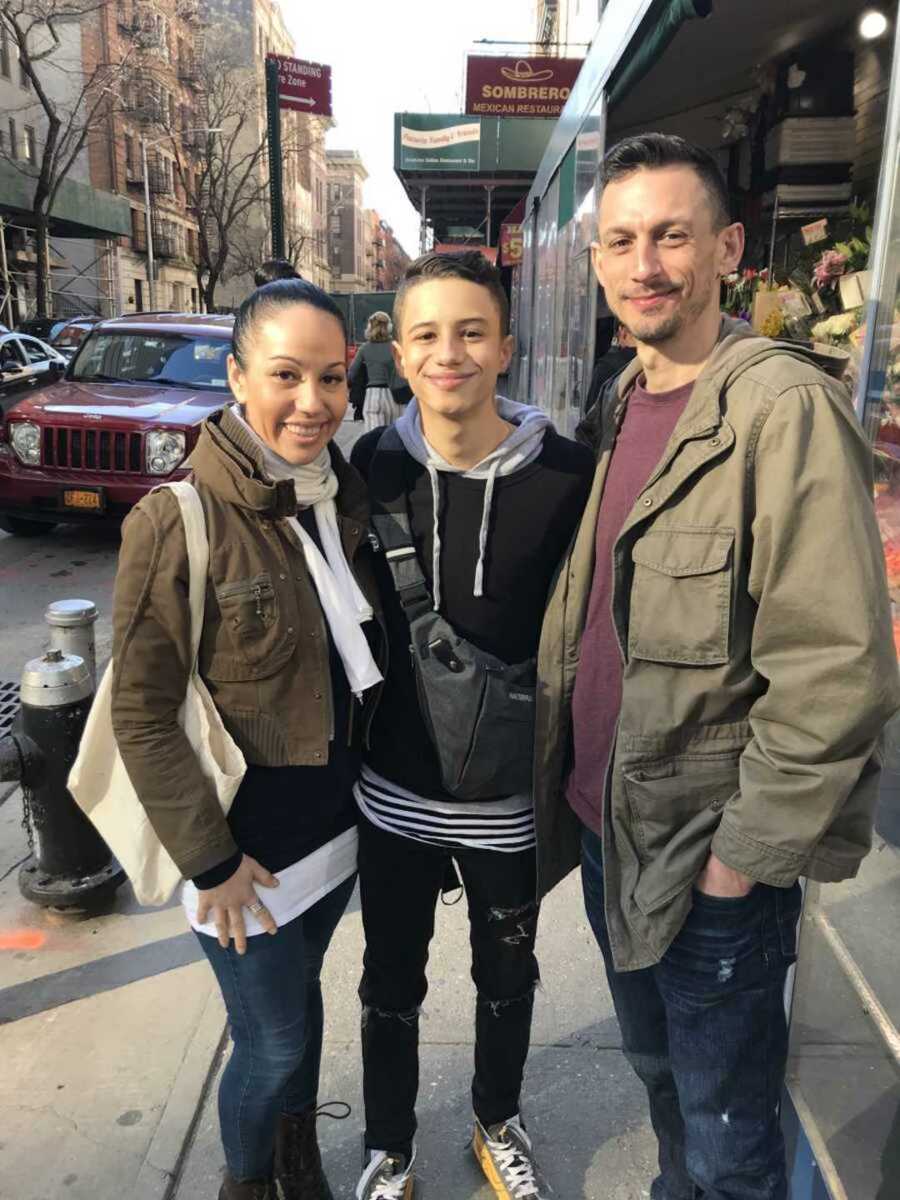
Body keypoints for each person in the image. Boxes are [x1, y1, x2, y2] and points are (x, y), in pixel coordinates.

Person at [533, 132, 900, 1200]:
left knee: (732, 1127)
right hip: (617, 835)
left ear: (729, 249)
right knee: (662, 1083)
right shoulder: (619, 403)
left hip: (709, 863)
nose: (645, 264)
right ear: (597, 261)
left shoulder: (781, 408)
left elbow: (837, 670)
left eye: (671, 237)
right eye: (622, 240)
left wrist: (740, 863)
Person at [111, 279, 385, 1200]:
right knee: (271, 1044)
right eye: (285, 375)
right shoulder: (178, 521)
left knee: (301, 1007)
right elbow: (142, 714)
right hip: (242, 860)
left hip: (333, 831)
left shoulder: (339, 500)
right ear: (237, 375)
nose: (312, 402)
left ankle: (295, 1150)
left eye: (332, 379)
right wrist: (210, 862)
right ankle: (245, 1181)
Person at [349, 251, 594, 1200]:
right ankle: (389, 1148)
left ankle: (499, 1121)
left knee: (507, 976)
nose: (448, 353)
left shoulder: (571, 475)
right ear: (398, 353)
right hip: (395, 793)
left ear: (506, 347)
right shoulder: (367, 469)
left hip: (508, 798)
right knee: (389, 984)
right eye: (426, 334)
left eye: (470, 331)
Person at [349, 311, 404, 428]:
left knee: (373, 440)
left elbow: (351, 373)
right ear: (389, 327)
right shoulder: (395, 347)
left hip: (373, 396)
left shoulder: (364, 348)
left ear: (369, 327)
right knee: (395, 437)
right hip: (396, 396)